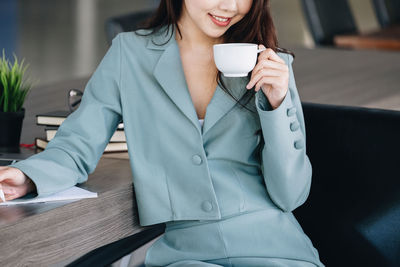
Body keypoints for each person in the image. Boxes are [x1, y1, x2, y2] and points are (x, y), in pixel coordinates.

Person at [0, 0, 325, 266]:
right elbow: (78, 144)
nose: (230, 6)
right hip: (185, 255)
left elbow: (291, 194)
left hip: (275, 249)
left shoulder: (270, 64)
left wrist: (279, 104)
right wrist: (28, 176)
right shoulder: (130, 55)